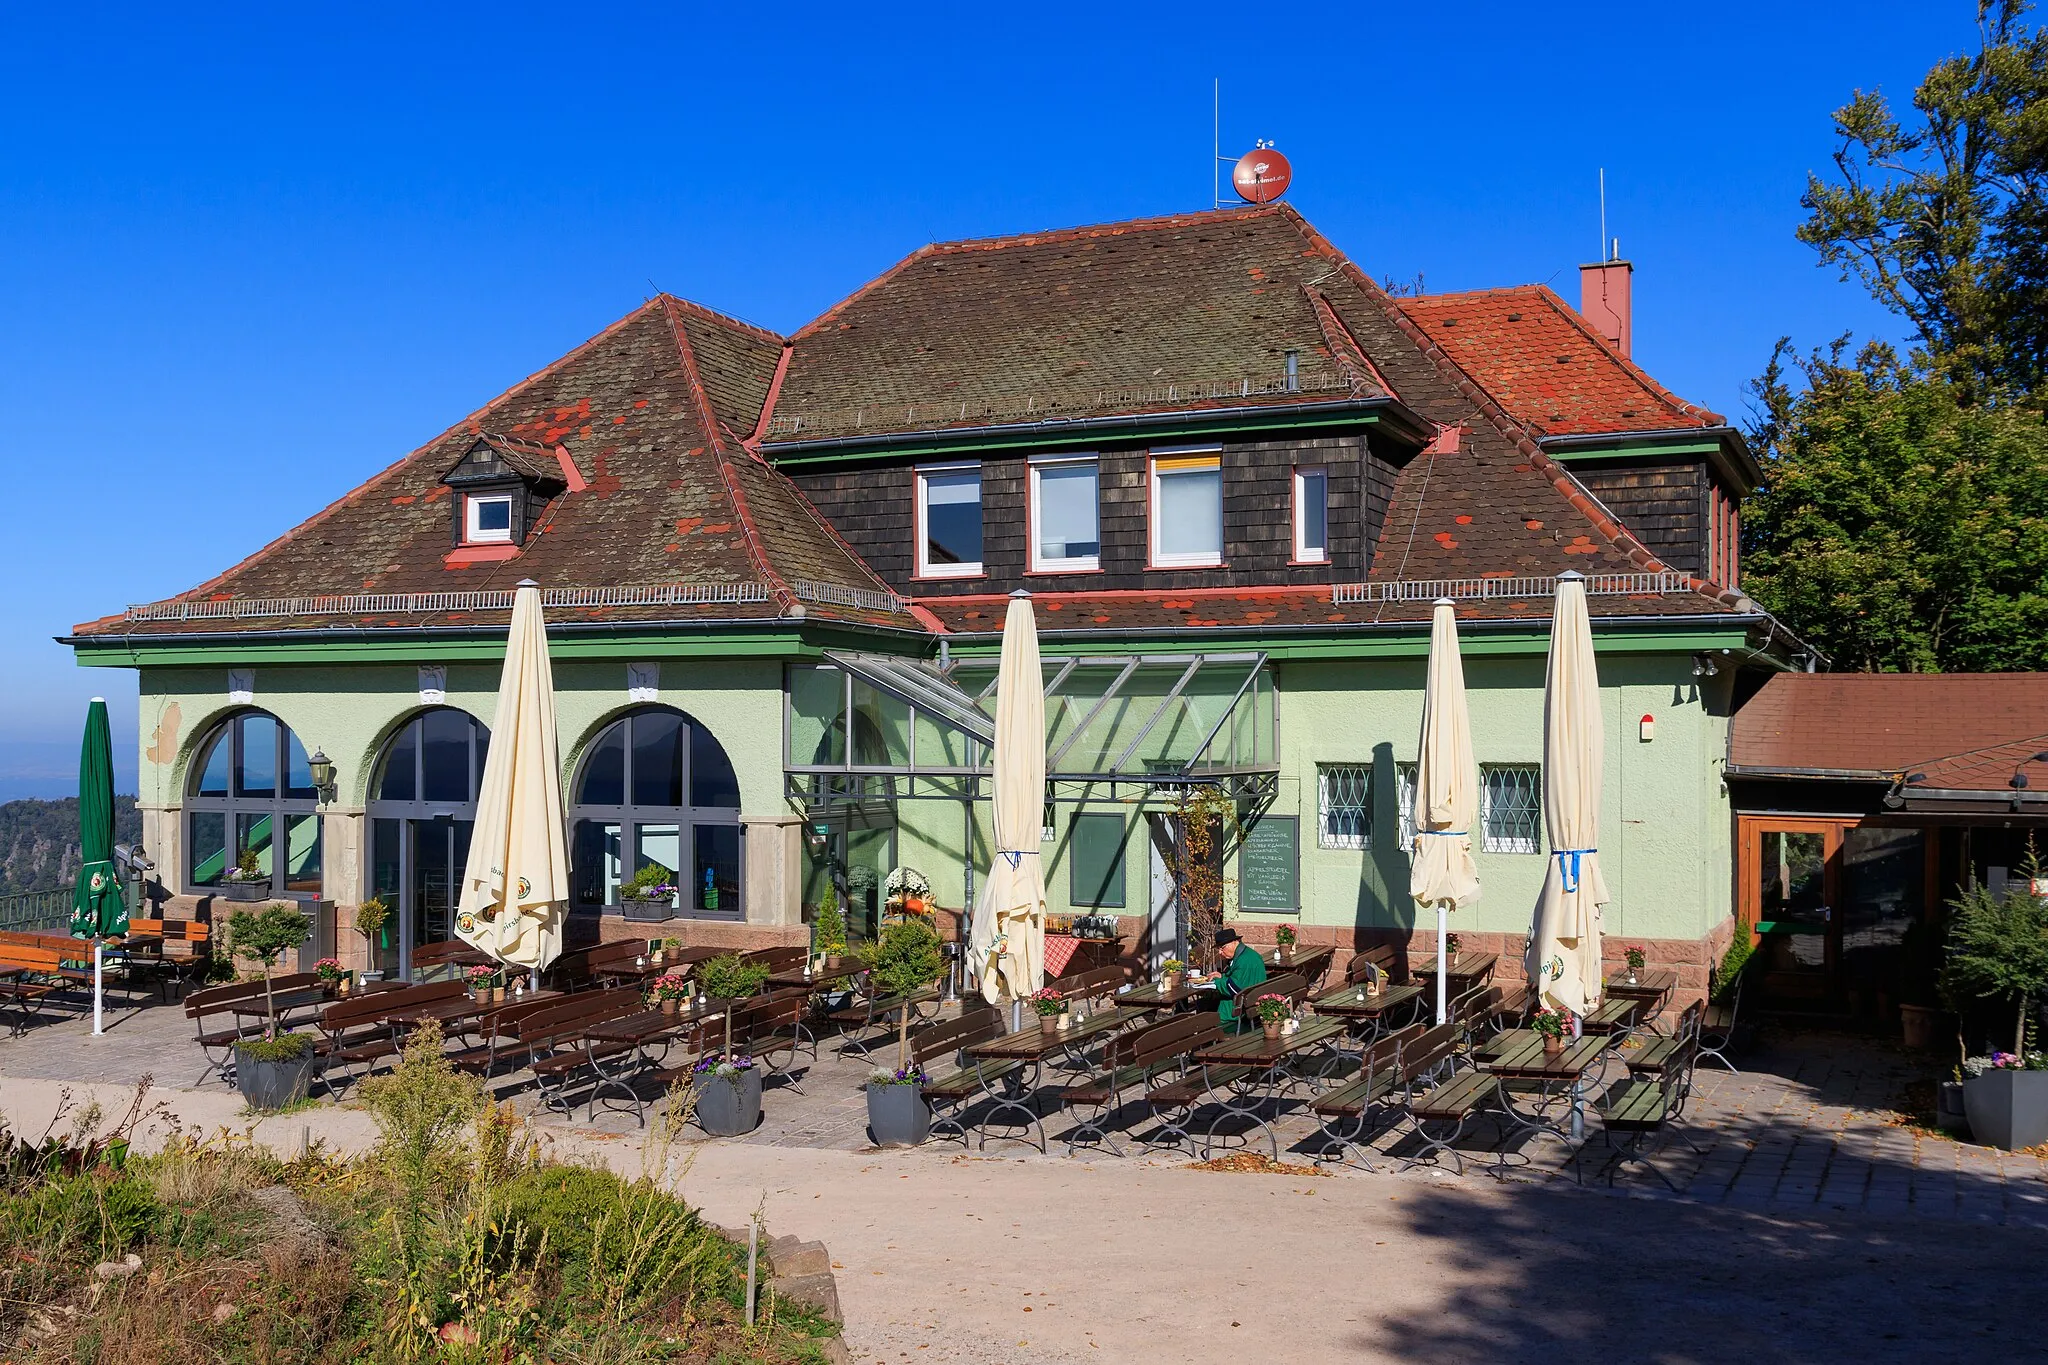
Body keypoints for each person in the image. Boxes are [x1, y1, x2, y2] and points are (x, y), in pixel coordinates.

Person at [1209, 927, 1267, 1033]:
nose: (1221, 952)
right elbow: (1240, 980)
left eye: (1223, 948)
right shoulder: (1248, 954)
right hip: (1252, 1004)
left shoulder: (1243, 961)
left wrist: (1215, 982)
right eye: (1219, 949)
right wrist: (1222, 977)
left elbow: (1233, 989)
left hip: (1239, 1011)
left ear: (1235, 942)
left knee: (1204, 1011)